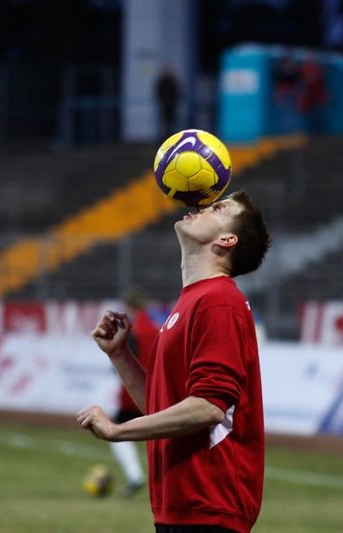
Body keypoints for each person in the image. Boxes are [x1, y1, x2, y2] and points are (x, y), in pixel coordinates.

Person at [79, 189, 272, 533]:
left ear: (227, 239)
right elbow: (163, 407)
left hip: (210, 507)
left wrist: (117, 430)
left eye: (217, 207)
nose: (200, 205)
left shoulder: (219, 301)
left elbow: (209, 407)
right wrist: (120, 355)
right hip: (181, 506)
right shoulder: (192, 301)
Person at [110, 288, 159, 497]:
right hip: (158, 388)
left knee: (117, 430)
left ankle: (135, 477)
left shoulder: (132, 329)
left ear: (129, 307)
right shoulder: (157, 327)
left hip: (135, 389)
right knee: (160, 433)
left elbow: (126, 359)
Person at [154, 63, 181, 140]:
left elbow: (177, 92)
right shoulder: (162, 81)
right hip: (164, 105)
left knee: (172, 122)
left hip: (172, 105)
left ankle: (173, 137)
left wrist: (175, 101)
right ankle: (164, 138)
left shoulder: (172, 81)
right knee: (164, 122)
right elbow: (158, 92)